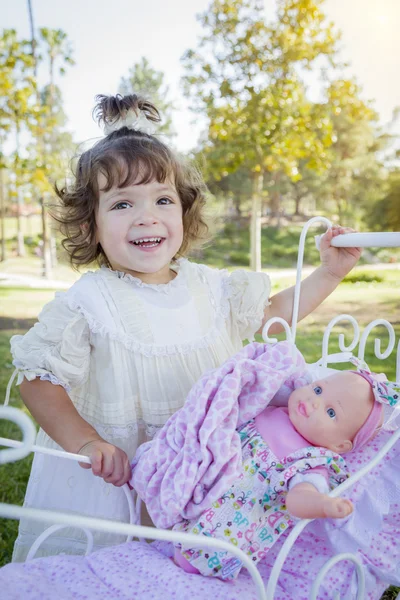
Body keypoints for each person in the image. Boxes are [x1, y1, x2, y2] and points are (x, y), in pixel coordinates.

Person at [9, 93, 361, 561]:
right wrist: (87, 441)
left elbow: (274, 313)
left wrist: (329, 274)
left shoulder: (210, 287)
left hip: (202, 469)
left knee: (188, 568)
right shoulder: (89, 303)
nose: (146, 215)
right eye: (121, 205)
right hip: (119, 476)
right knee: (113, 567)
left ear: (184, 212)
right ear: (90, 224)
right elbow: (39, 382)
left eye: (162, 199)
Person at [129, 342, 398, 580]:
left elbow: (299, 496)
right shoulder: (273, 406)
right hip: (207, 485)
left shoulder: (312, 461)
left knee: (194, 557)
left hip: (229, 525)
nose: (314, 401)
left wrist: (321, 504)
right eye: (317, 389)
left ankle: (189, 565)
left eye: (330, 412)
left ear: (339, 446)